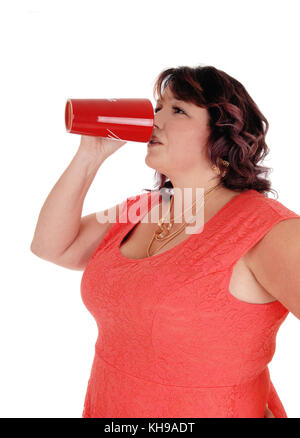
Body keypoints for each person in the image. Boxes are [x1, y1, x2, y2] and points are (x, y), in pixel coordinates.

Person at [30, 65, 300, 418]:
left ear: (224, 133)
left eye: (177, 110)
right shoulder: (143, 208)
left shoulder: (268, 229)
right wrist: (90, 155)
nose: (154, 120)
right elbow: (52, 246)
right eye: (158, 107)